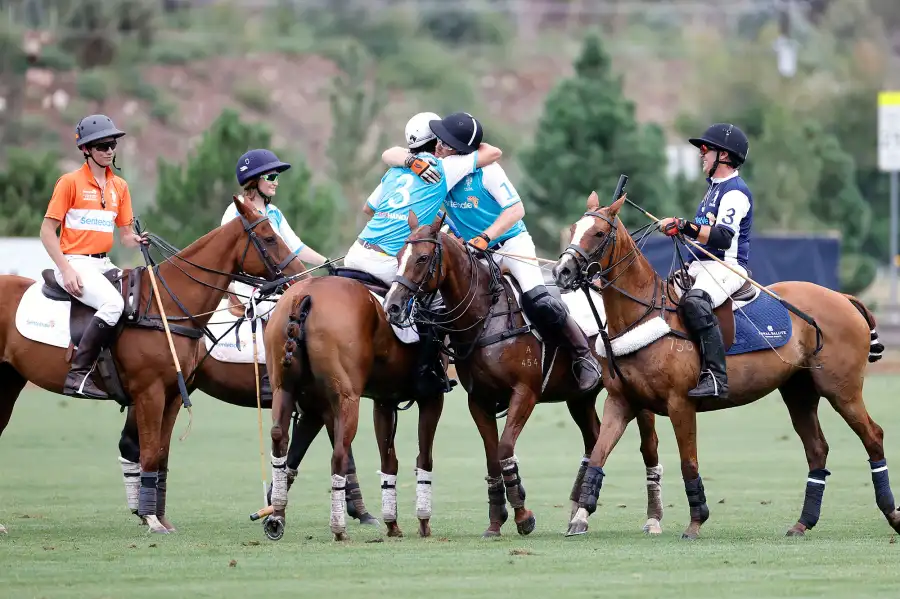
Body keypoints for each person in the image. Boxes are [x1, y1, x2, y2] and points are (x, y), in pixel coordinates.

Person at [401, 113, 601, 393]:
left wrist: (486, 236)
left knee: (538, 299)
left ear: (457, 148)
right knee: (439, 306)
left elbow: (516, 210)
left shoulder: (489, 172)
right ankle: (434, 370)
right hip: (475, 252)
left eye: (443, 142)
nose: (437, 146)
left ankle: (584, 356)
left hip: (511, 244)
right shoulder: (440, 173)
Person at [345, 111, 502, 395]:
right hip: (388, 261)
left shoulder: (395, 171)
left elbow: (368, 209)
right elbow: (492, 152)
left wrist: (407, 165)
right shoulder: (445, 168)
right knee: (437, 306)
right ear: (436, 143)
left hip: (355, 253)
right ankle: (428, 374)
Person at [40, 114, 146, 399]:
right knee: (113, 304)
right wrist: (65, 269)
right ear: (86, 149)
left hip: (103, 263)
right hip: (74, 262)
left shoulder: (120, 187)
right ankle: (78, 374)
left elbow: (124, 234)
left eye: (112, 144)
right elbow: (47, 232)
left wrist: (134, 240)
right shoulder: (69, 183)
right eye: (101, 145)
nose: (109, 150)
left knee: (137, 302)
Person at [222, 148, 329, 396]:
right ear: (254, 181)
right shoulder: (236, 211)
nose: (276, 182)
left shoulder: (275, 213)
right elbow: (229, 254)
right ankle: (273, 374)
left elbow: (296, 247)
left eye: (276, 177)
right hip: (249, 284)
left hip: (276, 282)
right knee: (276, 309)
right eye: (271, 177)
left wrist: (327, 262)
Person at [657, 123, 752, 400]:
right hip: (700, 266)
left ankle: (716, 377)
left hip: (727, 267)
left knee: (696, 302)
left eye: (705, 149)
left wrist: (684, 226)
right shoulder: (712, 189)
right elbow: (701, 233)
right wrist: (679, 229)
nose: (701, 154)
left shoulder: (734, 191)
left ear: (724, 155)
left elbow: (722, 237)